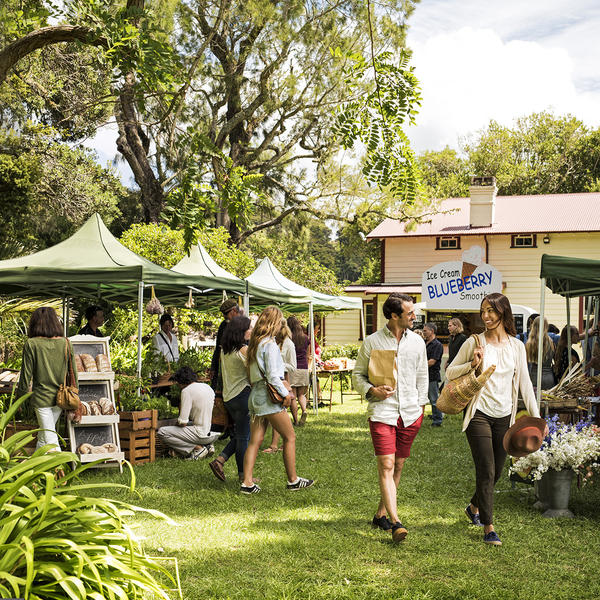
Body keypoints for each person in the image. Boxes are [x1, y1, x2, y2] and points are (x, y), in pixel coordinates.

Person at [446, 292, 543, 546]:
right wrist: (472, 364)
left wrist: (537, 420)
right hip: (478, 414)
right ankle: (489, 528)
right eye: (483, 311)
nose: (486, 316)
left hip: (504, 417)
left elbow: (525, 384)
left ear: (503, 312)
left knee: (497, 470)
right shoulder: (475, 342)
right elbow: (449, 372)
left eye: (491, 311)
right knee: (486, 469)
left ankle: (473, 507)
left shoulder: (516, 346)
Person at [352, 293, 428, 544]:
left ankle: (380, 514)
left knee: (398, 466)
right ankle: (396, 523)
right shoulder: (372, 342)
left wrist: (421, 407)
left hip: (410, 414)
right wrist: (372, 391)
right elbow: (357, 376)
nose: (414, 316)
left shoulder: (417, 342)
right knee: (386, 465)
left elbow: (422, 377)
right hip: (382, 413)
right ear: (394, 316)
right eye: (410, 313)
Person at [241, 306, 314, 494]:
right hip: (269, 397)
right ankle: (293, 480)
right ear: (275, 322)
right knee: (290, 437)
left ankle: (247, 482)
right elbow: (274, 376)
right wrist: (286, 395)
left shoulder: (254, 344)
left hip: (256, 395)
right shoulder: (270, 345)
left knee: (255, 441)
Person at [16, 307, 78, 454]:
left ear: (35, 323)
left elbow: (25, 376)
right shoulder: (66, 343)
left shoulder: (32, 344)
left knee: (49, 438)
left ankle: (60, 472)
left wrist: (20, 400)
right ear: (55, 323)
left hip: (41, 399)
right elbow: (74, 374)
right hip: (61, 399)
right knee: (44, 436)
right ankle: (37, 468)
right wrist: (75, 395)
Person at [209, 316, 253, 482]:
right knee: (244, 437)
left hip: (229, 397)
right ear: (241, 331)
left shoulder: (225, 349)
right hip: (242, 396)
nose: (251, 331)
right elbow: (253, 372)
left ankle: (220, 460)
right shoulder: (243, 350)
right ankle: (243, 476)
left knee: (242, 433)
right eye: (249, 328)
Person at [156, 366, 219, 460]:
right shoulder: (207, 387)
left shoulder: (187, 391)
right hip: (214, 433)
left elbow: (183, 422)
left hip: (201, 434)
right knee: (193, 424)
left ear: (181, 381)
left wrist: (176, 424)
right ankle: (208, 446)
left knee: (162, 432)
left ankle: (198, 449)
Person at [262, 320, 297, 453]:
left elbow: (293, 366)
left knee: (279, 411)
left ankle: (276, 444)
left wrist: (277, 365)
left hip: (282, 381)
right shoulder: (272, 342)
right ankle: (278, 443)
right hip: (273, 381)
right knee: (275, 412)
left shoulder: (289, 344)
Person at [209, 299, 242, 389]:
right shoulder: (223, 325)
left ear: (234, 310)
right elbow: (218, 348)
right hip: (223, 369)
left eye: (226, 314)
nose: (224, 316)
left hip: (237, 372)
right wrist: (213, 367)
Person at [287, 316, 310, 426]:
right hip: (304, 367)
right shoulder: (306, 338)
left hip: (292, 368)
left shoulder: (288, 338)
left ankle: (296, 420)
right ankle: (304, 410)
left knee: (293, 397)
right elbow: (308, 354)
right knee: (302, 394)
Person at [525, 316, 556, 391]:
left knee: (534, 401)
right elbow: (555, 360)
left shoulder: (529, 343)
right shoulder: (551, 342)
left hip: (534, 376)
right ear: (546, 326)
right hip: (549, 377)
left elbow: (525, 364)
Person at [423, 322, 444, 427]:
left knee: (434, 399)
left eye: (425, 330)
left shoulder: (437, 345)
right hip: (422, 376)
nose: (423, 332)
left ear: (432, 331)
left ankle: (438, 420)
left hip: (432, 376)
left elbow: (432, 361)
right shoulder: (424, 343)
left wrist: (418, 367)